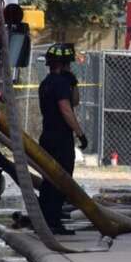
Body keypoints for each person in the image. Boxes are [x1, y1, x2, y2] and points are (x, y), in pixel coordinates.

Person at [37, 43, 89, 234]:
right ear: (66, 63)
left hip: (47, 137)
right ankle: (54, 223)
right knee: (61, 181)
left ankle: (45, 222)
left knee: (48, 181)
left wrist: (73, 83)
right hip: (60, 139)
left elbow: (74, 100)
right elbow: (67, 109)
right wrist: (80, 133)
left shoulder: (47, 83)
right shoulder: (59, 83)